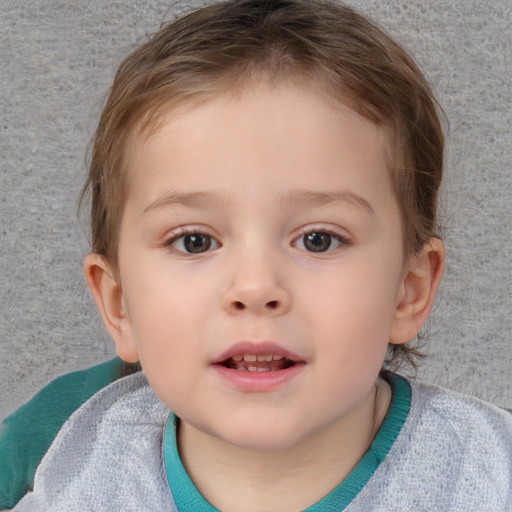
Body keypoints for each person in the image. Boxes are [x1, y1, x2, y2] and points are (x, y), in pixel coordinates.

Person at [1, 0, 511, 510]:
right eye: (194, 241)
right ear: (119, 304)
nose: (255, 287)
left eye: (319, 239)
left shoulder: (488, 477)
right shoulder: (70, 472)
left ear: (409, 290)